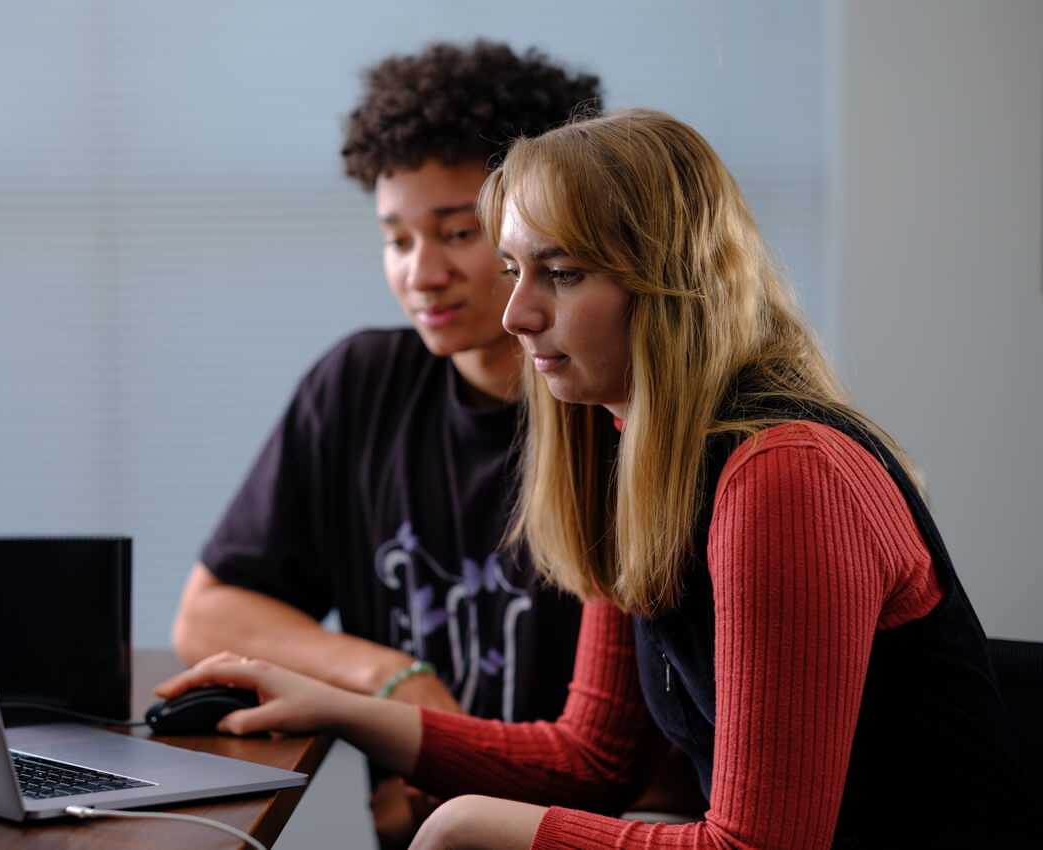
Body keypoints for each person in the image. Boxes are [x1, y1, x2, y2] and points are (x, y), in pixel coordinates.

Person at [160, 109, 1038, 849]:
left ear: (670, 288)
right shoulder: (634, 453)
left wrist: (473, 824)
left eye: (562, 273)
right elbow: (589, 756)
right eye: (513, 269)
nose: (517, 313)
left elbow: (758, 849)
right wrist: (336, 705)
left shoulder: (783, 477)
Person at [170, 41, 619, 846]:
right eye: (397, 239)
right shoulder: (359, 384)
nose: (422, 273)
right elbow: (209, 614)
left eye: (456, 232)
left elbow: (635, 760)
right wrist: (390, 678)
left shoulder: (613, 412)